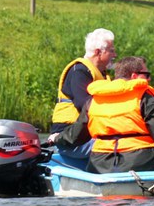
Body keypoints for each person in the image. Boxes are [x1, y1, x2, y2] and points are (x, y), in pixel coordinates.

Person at [48, 56, 154, 180]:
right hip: (140, 163)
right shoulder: (145, 98)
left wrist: (57, 138)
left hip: (99, 165)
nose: (149, 79)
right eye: (147, 74)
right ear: (134, 76)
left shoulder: (94, 100)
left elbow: (76, 135)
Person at [50, 28, 117, 159]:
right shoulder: (79, 71)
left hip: (87, 135)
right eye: (111, 51)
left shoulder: (102, 74)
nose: (115, 55)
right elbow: (84, 105)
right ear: (98, 52)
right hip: (69, 138)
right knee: (121, 150)